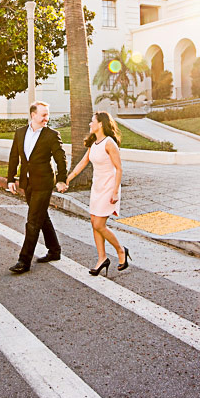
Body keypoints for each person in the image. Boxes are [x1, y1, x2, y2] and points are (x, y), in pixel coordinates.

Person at [64, 112, 129, 276]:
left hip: (109, 188)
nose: (89, 124)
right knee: (94, 222)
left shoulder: (109, 143)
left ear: (100, 124)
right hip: (97, 187)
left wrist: (115, 192)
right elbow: (83, 163)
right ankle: (102, 258)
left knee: (99, 225)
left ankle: (121, 251)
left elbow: (119, 168)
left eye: (92, 121)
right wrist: (68, 179)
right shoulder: (94, 143)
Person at [7, 101, 68, 274]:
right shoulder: (20, 133)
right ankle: (54, 250)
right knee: (42, 217)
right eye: (43, 115)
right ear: (33, 115)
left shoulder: (51, 135)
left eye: (47, 115)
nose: (46, 118)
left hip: (44, 183)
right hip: (27, 183)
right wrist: (10, 179)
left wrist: (62, 179)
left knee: (33, 221)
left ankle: (23, 261)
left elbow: (60, 158)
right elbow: (14, 157)